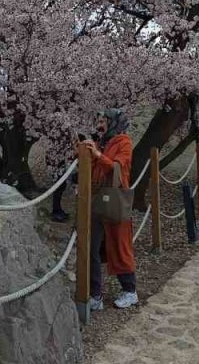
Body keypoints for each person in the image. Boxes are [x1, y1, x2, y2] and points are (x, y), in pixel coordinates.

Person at [81, 108, 138, 310]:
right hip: (96, 200)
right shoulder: (101, 142)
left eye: (105, 120)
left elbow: (116, 168)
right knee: (92, 248)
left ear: (114, 122)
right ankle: (95, 295)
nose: (101, 123)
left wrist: (97, 154)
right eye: (100, 119)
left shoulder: (124, 142)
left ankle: (130, 291)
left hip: (114, 199)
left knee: (119, 245)